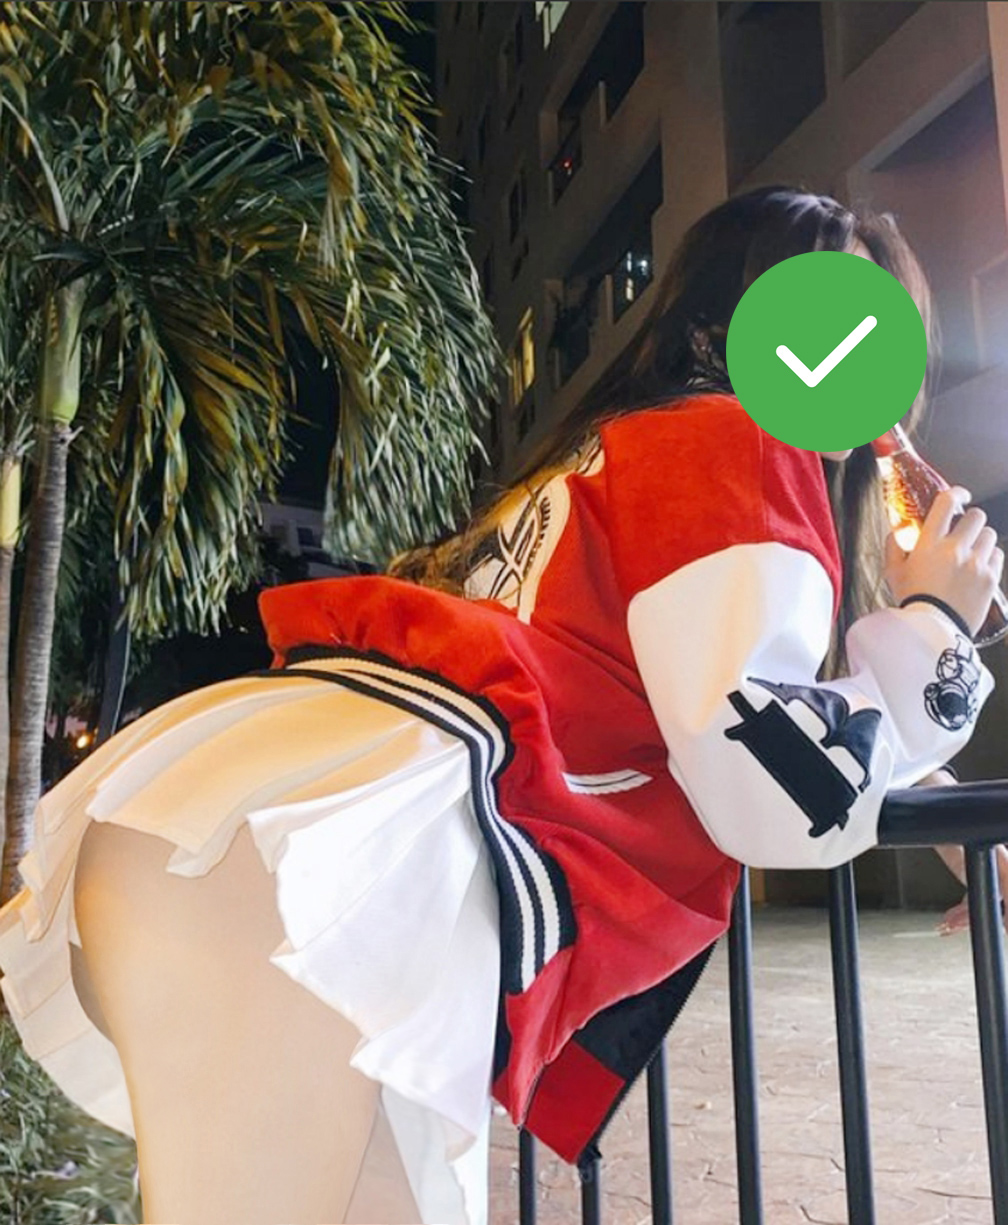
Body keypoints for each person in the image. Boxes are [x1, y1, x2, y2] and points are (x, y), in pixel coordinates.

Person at [0, 186, 1000, 1225]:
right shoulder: (741, 444)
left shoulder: (617, 454)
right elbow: (768, 778)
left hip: (245, 825)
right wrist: (938, 625)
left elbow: (729, 701)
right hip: (313, 878)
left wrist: (948, 804)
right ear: (730, 327)